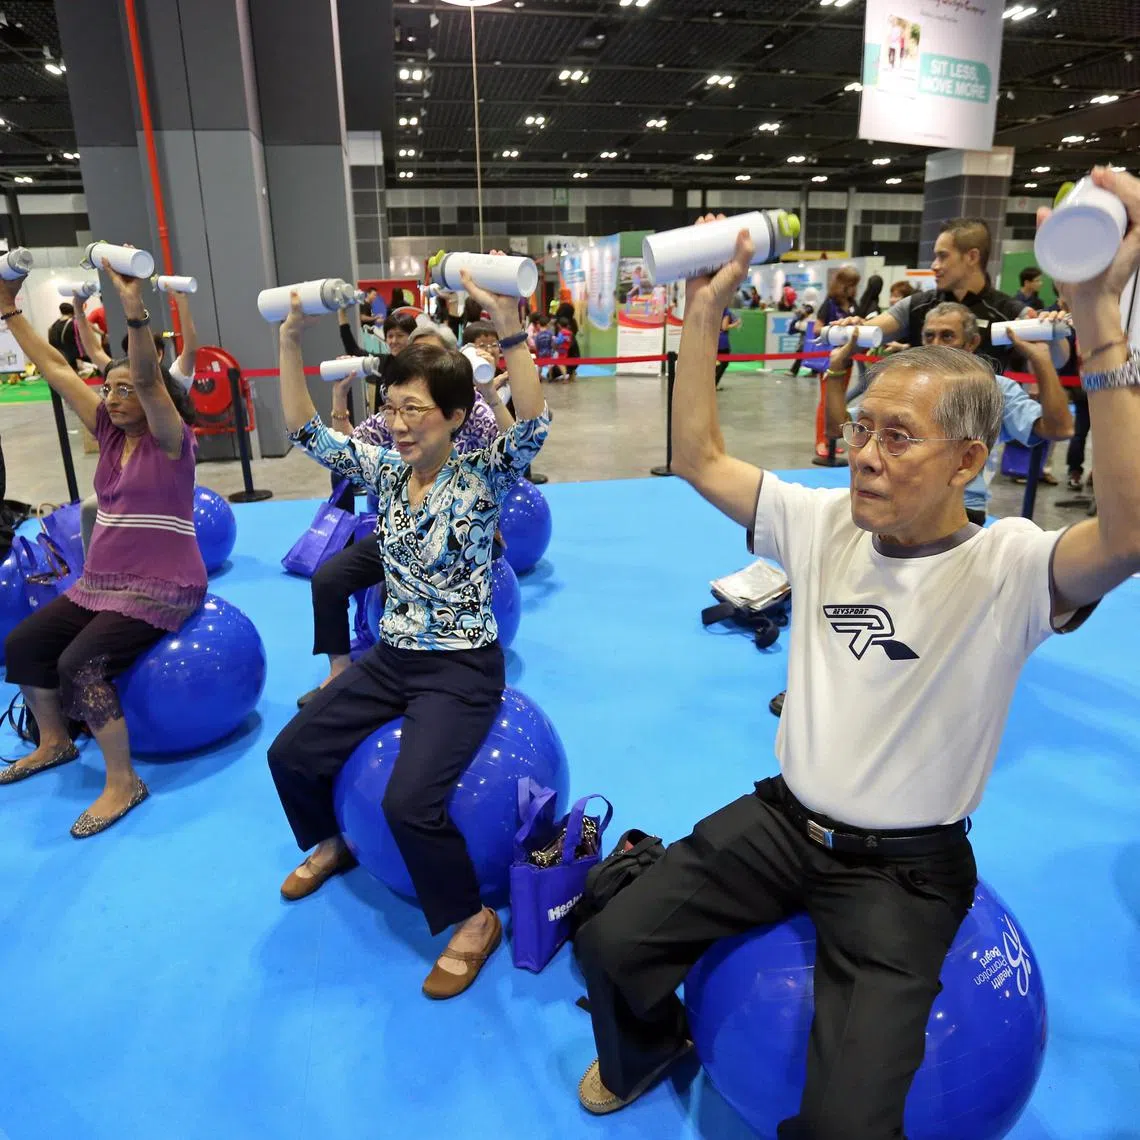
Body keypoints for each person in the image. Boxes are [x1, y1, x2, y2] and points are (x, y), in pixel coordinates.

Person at [571, 176, 1140, 1133]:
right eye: (863, 429)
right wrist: (703, 315)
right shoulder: (822, 518)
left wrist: (1102, 328)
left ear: (968, 461)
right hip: (782, 822)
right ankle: (656, 1043)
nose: (866, 454)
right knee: (611, 939)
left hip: (904, 873)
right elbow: (701, 457)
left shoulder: (1010, 568)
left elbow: (1125, 538)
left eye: (899, 437)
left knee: (847, 1123)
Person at [267, 270, 550, 1000]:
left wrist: (511, 324)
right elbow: (305, 431)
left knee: (408, 804)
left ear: (456, 415)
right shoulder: (388, 472)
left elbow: (537, 422)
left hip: (461, 669)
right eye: (391, 406)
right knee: (292, 751)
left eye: (413, 409)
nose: (396, 421)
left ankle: (473, 922)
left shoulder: (482, 475)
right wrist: (290, 342)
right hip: (392, 656)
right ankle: (331, 843)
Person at [0, 260, 205, 837]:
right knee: (25, 643)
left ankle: (123, 781)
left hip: (165, 586)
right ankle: (55, 742)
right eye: (108, 389)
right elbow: (58, 369)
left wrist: (133, 309)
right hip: (103, 581)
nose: (112, 398)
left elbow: (146, 378)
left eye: (124, 391)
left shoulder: (172, 442)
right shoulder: (110, 433)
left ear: (154, 397)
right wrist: (9, 308)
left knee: (79, 664)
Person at [295, 320, 508, 707]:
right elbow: (347, 451)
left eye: (431, 357)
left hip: (459, 536)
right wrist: (339, 399)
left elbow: (508, 452)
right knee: (327, 579)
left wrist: (492, 395)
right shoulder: (399, 411)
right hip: (399, 530)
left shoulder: (470, 411)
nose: (399, 421)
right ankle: (340, 671)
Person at [826, 300, 1073, 525]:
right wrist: (837, 368)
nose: (936, 345)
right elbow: (838, 427)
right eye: (929, 336)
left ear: (972, 343)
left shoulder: (993, 388)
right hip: (899, 499)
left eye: (947, 336)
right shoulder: (904, 384)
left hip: (960, 509)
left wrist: (1042, 361)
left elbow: (1058, 429)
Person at [73, 286, 201, 552]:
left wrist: (182, 300)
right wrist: (78, 310)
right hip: (132, 476)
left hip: (170, 475)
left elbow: (190, 348)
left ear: (160, 354)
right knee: (90, 507)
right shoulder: (123, 377)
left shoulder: (175, 376)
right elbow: (93, 351)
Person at [715, 307, 741, 388]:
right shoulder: (725, 310)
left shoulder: (715, 308)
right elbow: (724, 327)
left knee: (715, 363)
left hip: (713, 340)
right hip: (722, 341)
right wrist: (736, 324)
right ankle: (714, 384)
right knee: (724, 363)